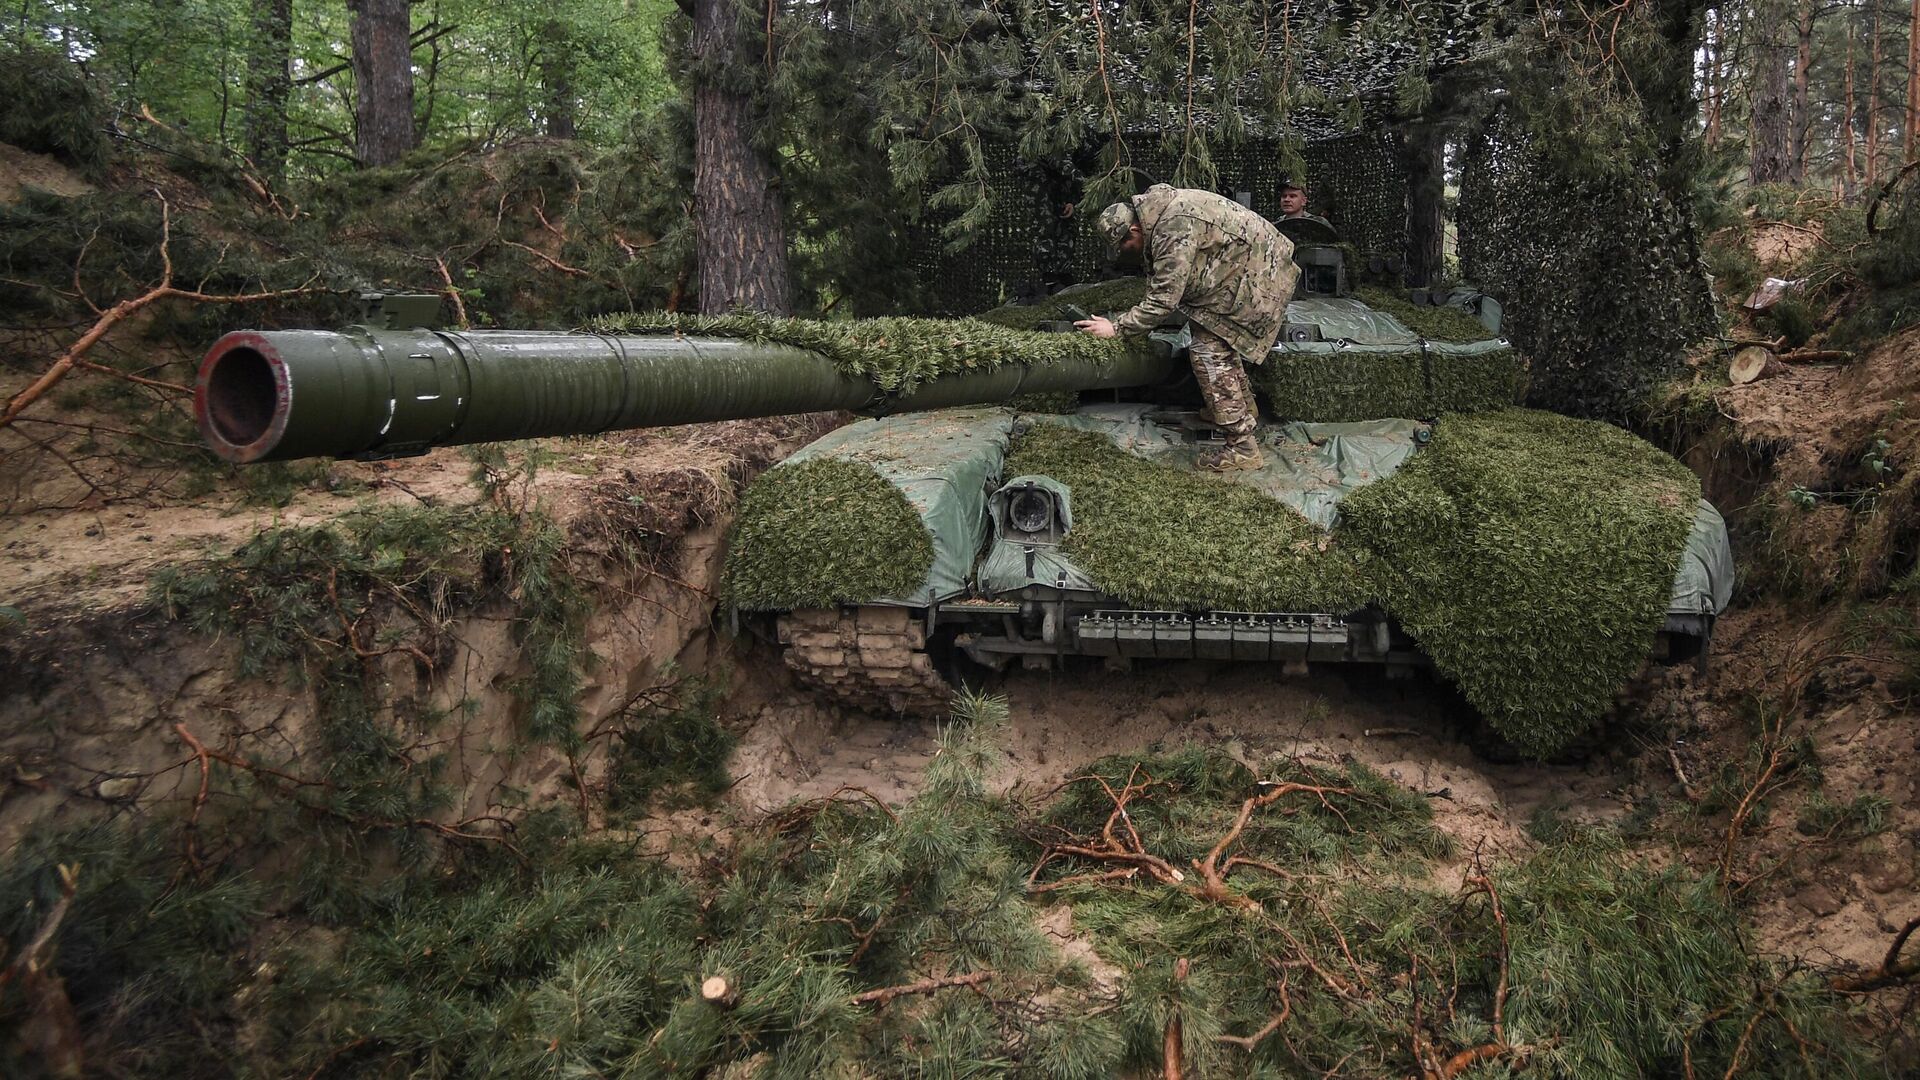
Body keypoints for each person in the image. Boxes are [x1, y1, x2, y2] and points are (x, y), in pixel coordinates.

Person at [1075, 184, 1297, 471]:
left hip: (1260, 277)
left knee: (1208, 351)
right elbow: (1160, 283)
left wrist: (1117, 328)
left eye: (1121, 247)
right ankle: (1241, 409)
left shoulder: (1171, 228)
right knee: (1210, 335)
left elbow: (1164, 299)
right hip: (1243, 272)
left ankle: (1241, 445)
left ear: (1133, 231)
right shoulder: (1159, 216)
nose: (1120, 254)